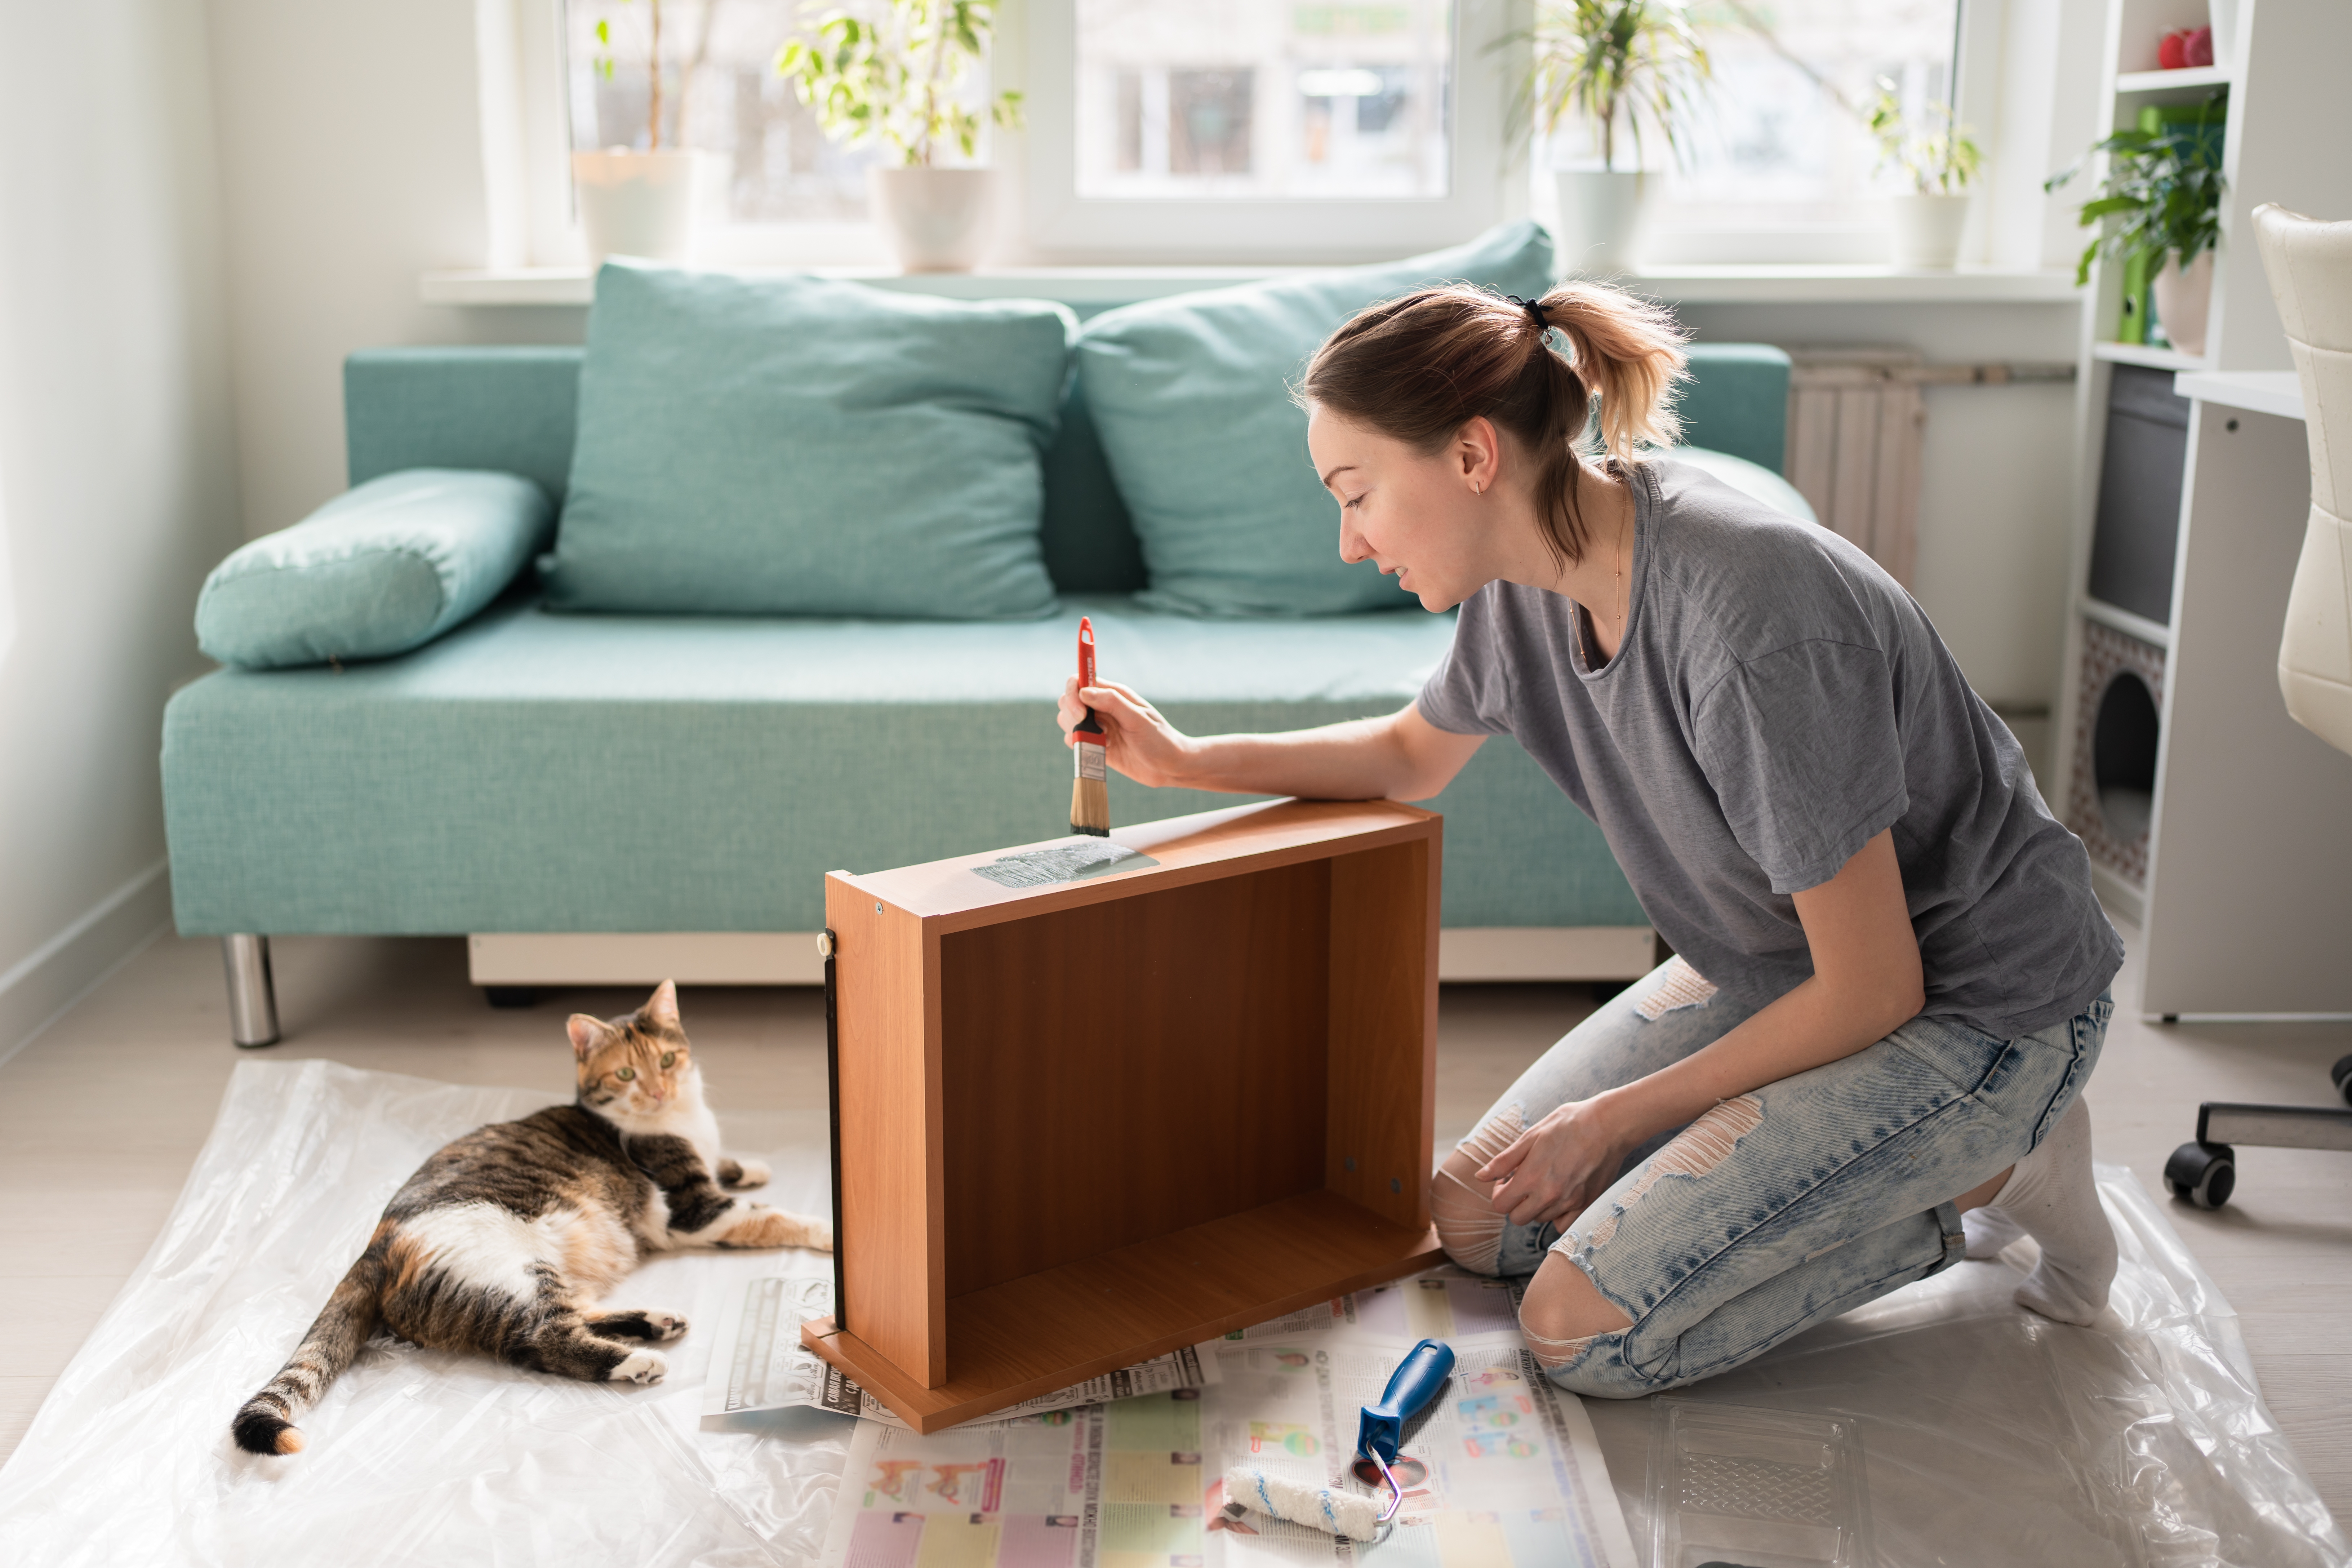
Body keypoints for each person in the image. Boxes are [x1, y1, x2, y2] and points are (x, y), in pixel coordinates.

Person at [1054, 281, 2124, 1399]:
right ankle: (1840, 1159)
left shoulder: (1751, 615)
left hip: (1980, 1006)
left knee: (1583, 1336)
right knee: (1476, 1218)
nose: (1349, 544)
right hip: (1780, 966)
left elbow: (1874, 988)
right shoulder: (1525, 583)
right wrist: (1181, 760)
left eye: (1357, 494)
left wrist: (1612, 1122)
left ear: (1473, 457)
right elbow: (1411, 756)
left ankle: (2006, 1163)